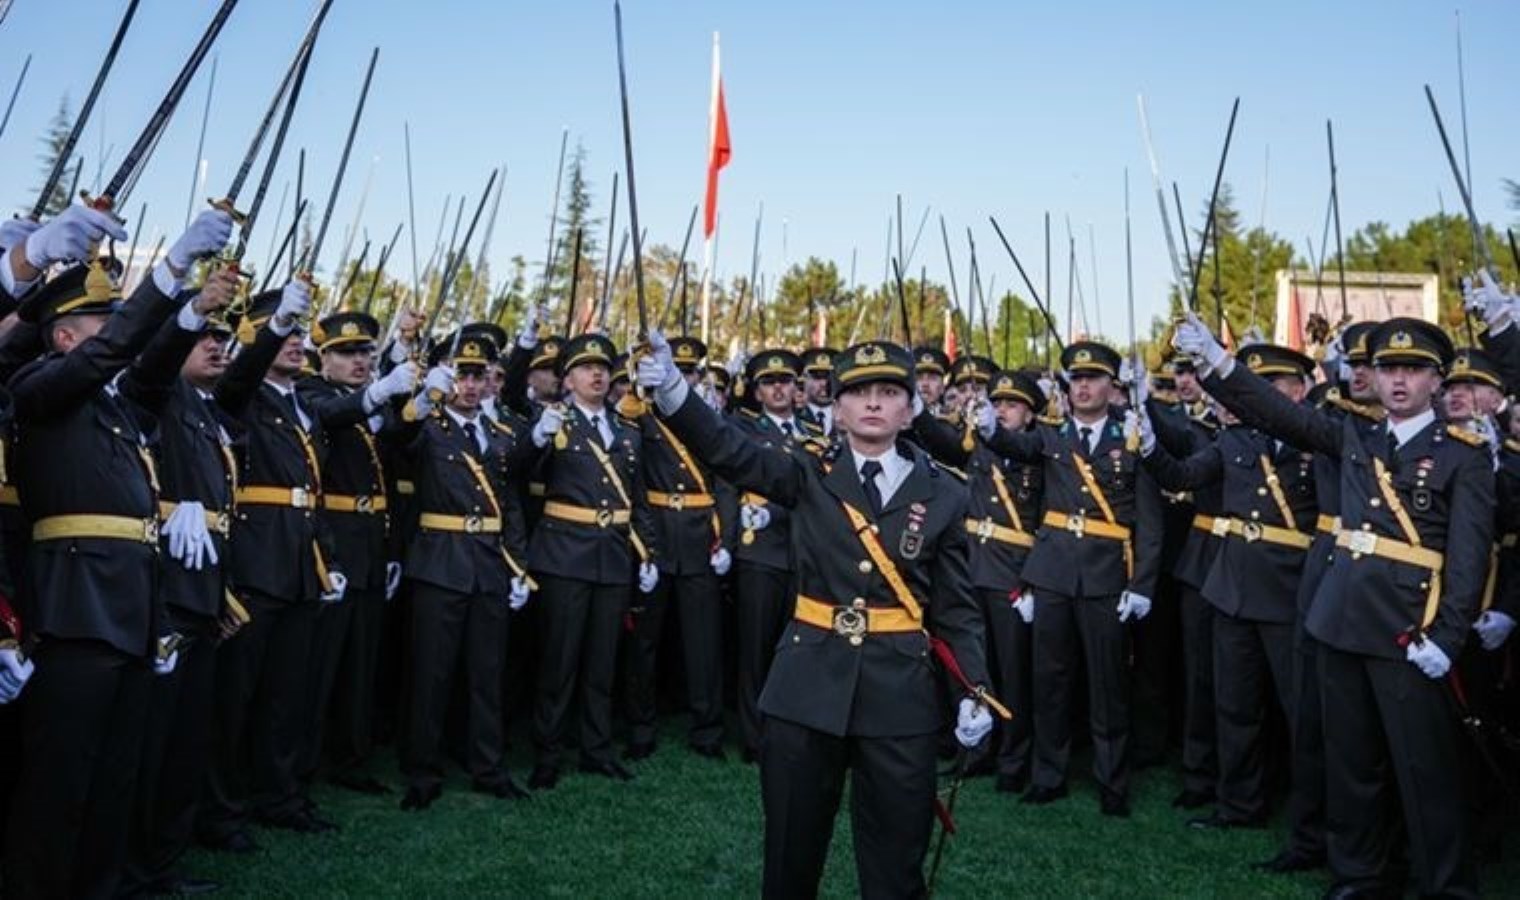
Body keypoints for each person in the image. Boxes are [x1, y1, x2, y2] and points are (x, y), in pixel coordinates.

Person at [637, 332, 995, 898]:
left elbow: (956, 609)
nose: (872, 402)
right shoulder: (805, 470)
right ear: (837, 407)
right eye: (858, 392)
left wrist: (974, 688)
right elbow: (731, 449)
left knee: (896, 865)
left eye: (887, 391)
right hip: (806, 688)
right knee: (790, 858)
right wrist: (677, 393)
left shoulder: (945, 493)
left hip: (900, 695)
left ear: (910, 409)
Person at [1176, 313, 1492, 898]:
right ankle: (1358, 875)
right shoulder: (1355, 435)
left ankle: (1445, 885)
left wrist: (1448, 639)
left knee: (1425, 771)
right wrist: (1218, 364)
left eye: (1413, 370)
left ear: (1436, 380)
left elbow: (1469, 558)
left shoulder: (1463, 454)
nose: (1398, 381)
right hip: (1340, 621)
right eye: (1388, 368)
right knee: (1352, 765)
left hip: (1409, 632)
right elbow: (1279, 414)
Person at [3, 205, 231, 899]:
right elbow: (118, 351)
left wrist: (185, 306)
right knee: (61, 782)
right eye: (103, 327)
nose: (118, 339)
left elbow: (151, 367)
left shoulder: (113, 406)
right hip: (75, 610)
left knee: (115, 775)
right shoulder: (39, 387)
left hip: (130, 608)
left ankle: (105, 887)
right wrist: (164, 276)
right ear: (66, 336)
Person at [976, 340, 1163, 817]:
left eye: (1093, 377)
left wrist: (1141, 586)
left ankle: (1112, 782)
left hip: (1105, 576)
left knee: (1108, 686)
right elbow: (1013, 443)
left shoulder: (1133, 438)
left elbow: (1149, 522)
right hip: (1053, 573)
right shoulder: (1051, 436)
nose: (1083, 386)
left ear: (1111, 386)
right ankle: (1048, 774)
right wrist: (989, 428)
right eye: (1075, 379)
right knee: (1049, 681)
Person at [1138, 344, 1319, 830]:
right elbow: (1183, 474)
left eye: (1272, 389)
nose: (1258, 399)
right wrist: (1151, 446)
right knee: (1233, 705)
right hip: (1232, 587)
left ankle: (1311, 820)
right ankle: (1239, 804)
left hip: (1290, 591)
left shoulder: (1316, 443)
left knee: (1301, 713)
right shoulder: (1236, 441)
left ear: (1299, 392)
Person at [122, 264, 243, 898]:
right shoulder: (157, 394)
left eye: (224, 337)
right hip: (163, 592)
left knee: (187, 739)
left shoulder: (204, 410)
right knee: (154, 741)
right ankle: (139, 866)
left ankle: (163, 862)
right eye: (205, 338)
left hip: (200, 591)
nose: (217, 345)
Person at [398, 329, 534, 810]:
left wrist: (518, 565)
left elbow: (511, 503)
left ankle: (487, 767)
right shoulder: (428, 425)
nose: (471, 385)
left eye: (479, 375)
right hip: (441, 560)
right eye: (462, 375)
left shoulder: (500, 435)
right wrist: (421, 394)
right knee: (432, 675)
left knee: (486, 673)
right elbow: (398, 438)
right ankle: (422, 771)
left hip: (488, 563)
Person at [524, 332, 659, 789]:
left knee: (603, 662)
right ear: (567, 379)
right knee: (559, 662)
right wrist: (537, 439)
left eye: (603, 368)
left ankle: (596, 749)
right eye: (585, 367)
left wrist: (648, 551)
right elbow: (518, 473)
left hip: (613, 557)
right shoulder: (554, 423)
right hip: (564, 553)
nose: (597, 374)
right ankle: (548, 752)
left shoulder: (626, 430)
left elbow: (637, 499)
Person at [298, 311, 416, 795]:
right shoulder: (312, 394)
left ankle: (352, 757)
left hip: (370, 543)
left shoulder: (369, 404)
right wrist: (381, 391)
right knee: (320, 666)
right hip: (334, 544)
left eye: (366, 352)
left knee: (361, 663)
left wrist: (419, 400)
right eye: (347, 353)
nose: (360, 360)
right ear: (323, 358)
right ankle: (302, 765)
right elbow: (333, 415)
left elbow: (397, 446)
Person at [914, 369, 1046, 793]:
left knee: (1012, 673)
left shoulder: (1041, 452)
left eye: (1012, 405)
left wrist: (1033, 581)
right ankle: (974, 750)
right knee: (971, 669)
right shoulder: (979, 445)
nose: (1003, 410)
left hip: (1012, 572)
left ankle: (1013, 759)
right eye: (999, 403)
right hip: (972, 566)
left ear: (1030, 415)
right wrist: (918, 411)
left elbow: (1049, 521)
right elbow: (942, 444)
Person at [622, 335, 732, 761]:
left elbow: (725, 480)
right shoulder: (640, 415)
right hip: (656, 534)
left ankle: (707, 730)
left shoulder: (704, 418)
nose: (681, 377)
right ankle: (640, 727)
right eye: (676, 370)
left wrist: (726, 538)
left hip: (701, 537)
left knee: (704, 644)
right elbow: (628, 477)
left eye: (688, 372)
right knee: (644, 641)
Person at [728, 349, 826, 763]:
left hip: (802, 551)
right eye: (769, 382)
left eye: (786, 380)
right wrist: (729, 536)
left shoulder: (814, 429)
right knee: (754, 649)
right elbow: (726, 483)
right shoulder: (744, 428)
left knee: (797, 649)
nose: (780, 388)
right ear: (756, 391)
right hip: (761, 550)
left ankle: (792, 729)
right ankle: (754, 735)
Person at [798, 347, 837, 436]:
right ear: (804, 379)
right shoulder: (792, 418)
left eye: (829, 377)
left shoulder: (848, 418)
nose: (823, 383)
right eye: (817, 377)